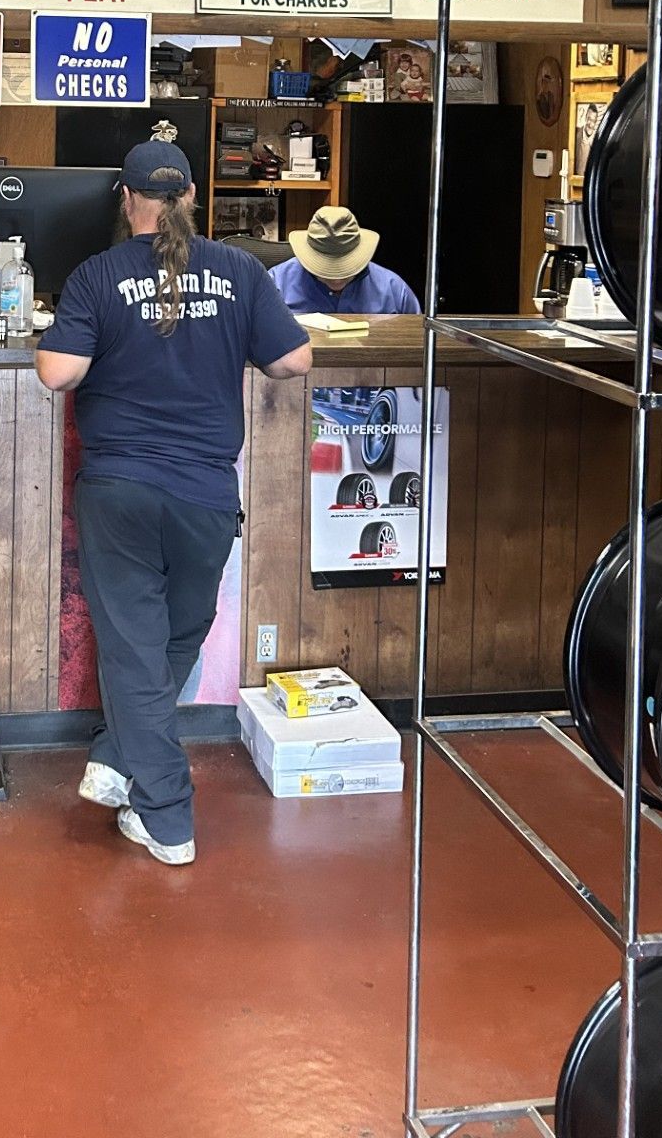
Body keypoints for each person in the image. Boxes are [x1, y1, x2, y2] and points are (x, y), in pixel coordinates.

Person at [34, 141, 312, 868]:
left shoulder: (99, 274)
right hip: (205, 496)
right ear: (190, 195)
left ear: (127, 201)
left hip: (120, 490)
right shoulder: (240, 269)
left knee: (136, 649)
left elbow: (58, 372)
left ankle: (167, 815)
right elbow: (294, 360)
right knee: (170, 640)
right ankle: (119, 758)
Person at [270, 205, 421, 316]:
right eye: (326, 271)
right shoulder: (275, 285)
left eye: (346, 269)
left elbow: (420, 345)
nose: (336, 279)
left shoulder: (395, 290)